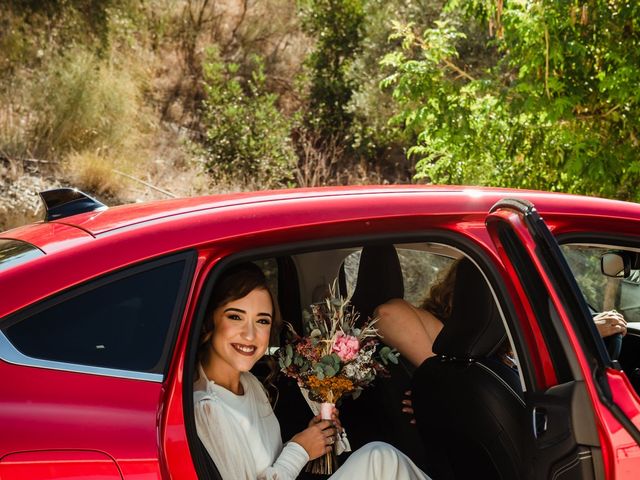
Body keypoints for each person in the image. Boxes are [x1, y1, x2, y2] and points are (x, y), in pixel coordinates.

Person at [193, 262, 431, 480]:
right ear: (209, 322)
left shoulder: (249, 385)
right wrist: (300, 450)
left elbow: (269, 465)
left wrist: (314, 437)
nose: (250, 334)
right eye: (235, 317)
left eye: (262, 321)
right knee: (381, 460)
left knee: (381, 457)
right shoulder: (207, 407)